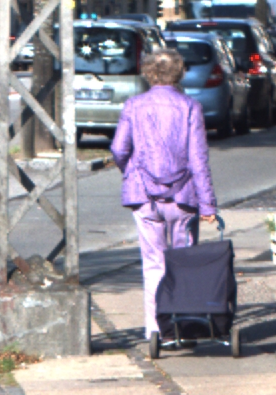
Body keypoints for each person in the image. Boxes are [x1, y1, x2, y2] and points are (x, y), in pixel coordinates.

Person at [109, 49, 217, 341]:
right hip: (183, 196)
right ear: (179, 73)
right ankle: (183, 325)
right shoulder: (190, 107)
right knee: (183, 262)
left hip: (144, 195)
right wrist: (208, 204)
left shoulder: (134, 105)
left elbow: (119, 148)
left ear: (148, 73)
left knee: (153, 263)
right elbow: (198, 159)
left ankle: (156, 329)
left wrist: (131, 171)